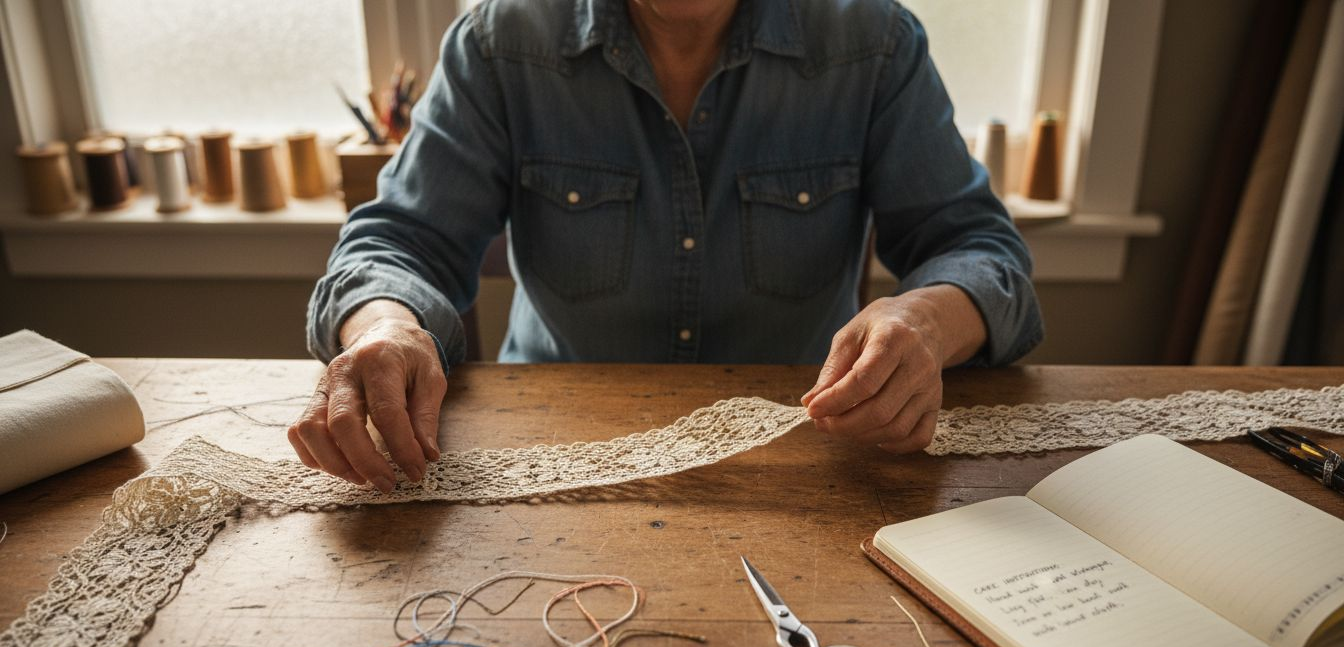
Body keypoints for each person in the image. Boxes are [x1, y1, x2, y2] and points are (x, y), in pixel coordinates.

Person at [289, 0, 1044, 492]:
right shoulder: (500, 41)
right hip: (553, 464)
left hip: (812, 457)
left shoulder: (874, 40)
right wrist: (388, 326)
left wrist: (926, 321)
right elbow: (399, 243)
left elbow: (981, 249)